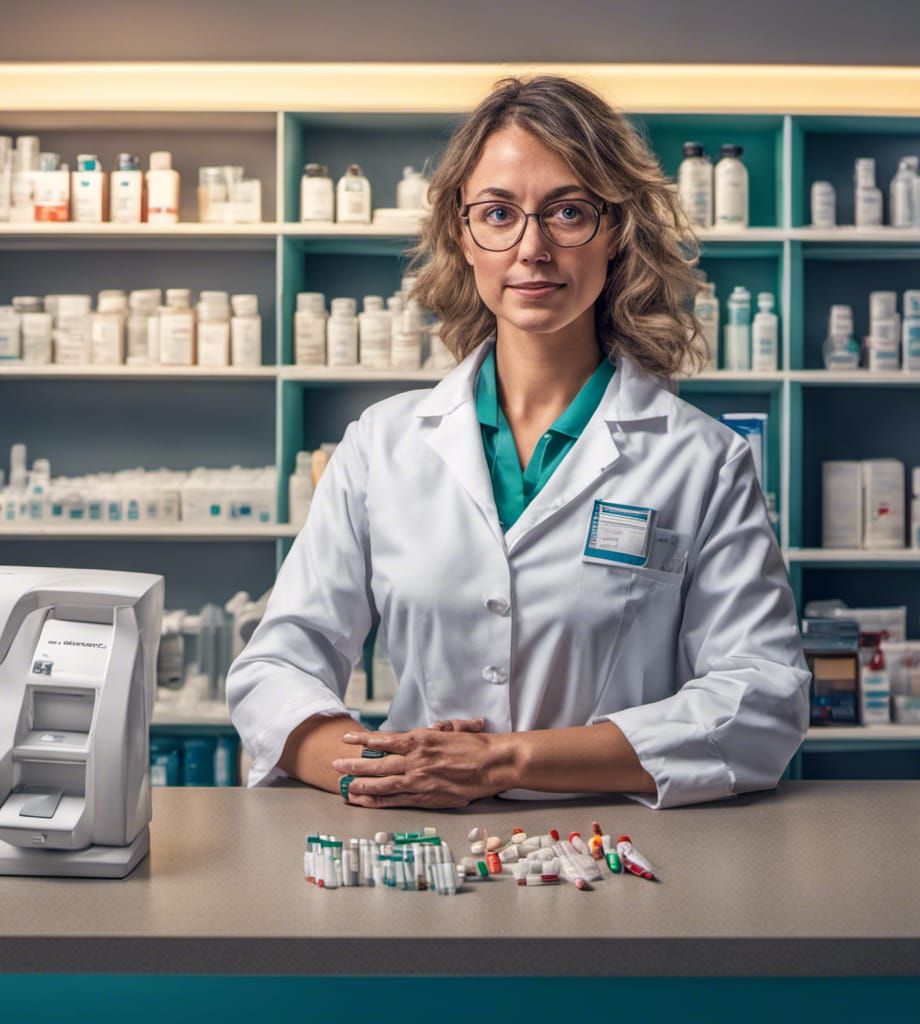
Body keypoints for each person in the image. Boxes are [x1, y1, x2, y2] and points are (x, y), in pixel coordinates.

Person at [226, 75, 810, 809]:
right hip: (418, 844)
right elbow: (276, 664)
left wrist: (508, 760)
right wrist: (390, 770)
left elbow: (761, 698)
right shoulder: (383, 444)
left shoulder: (703, 461)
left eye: (568, 212)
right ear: (463, 238)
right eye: (498, 213)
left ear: (617, 233)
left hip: (619, 863)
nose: (532, 248)